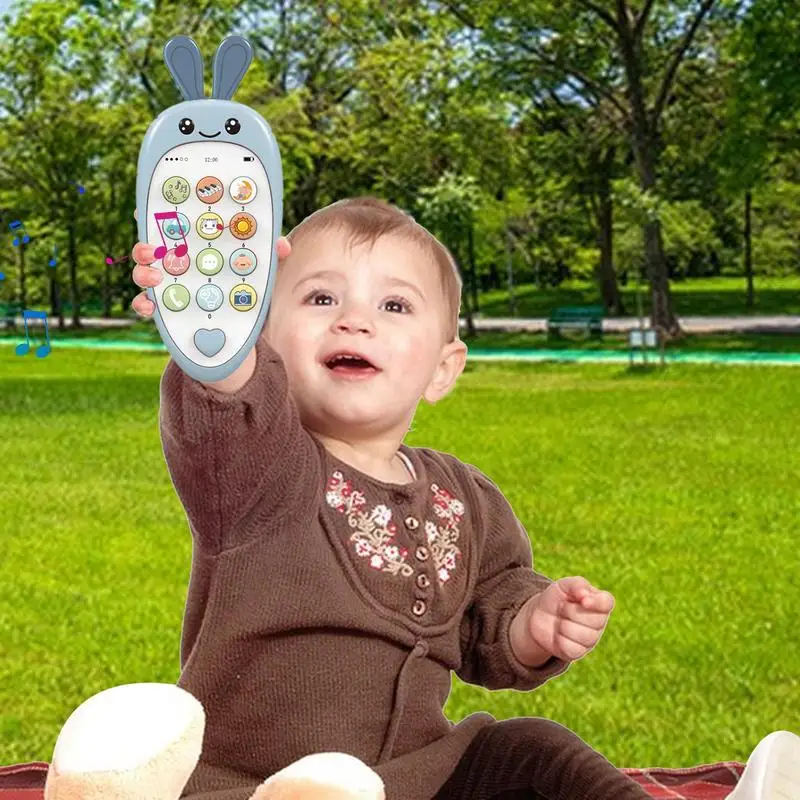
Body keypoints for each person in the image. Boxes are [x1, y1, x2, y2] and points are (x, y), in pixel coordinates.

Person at [129, 197, 797, 800]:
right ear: (265, 338)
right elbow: (229, 404)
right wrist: (211, 329)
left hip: (423, 778)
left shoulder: (464, 497)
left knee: (530, 749)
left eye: (394, 306)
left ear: (443, 369)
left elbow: (490, 619)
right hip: (256, 787)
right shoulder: (256, 470)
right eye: (320, 299)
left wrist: (533, 625)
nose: (356, 321)